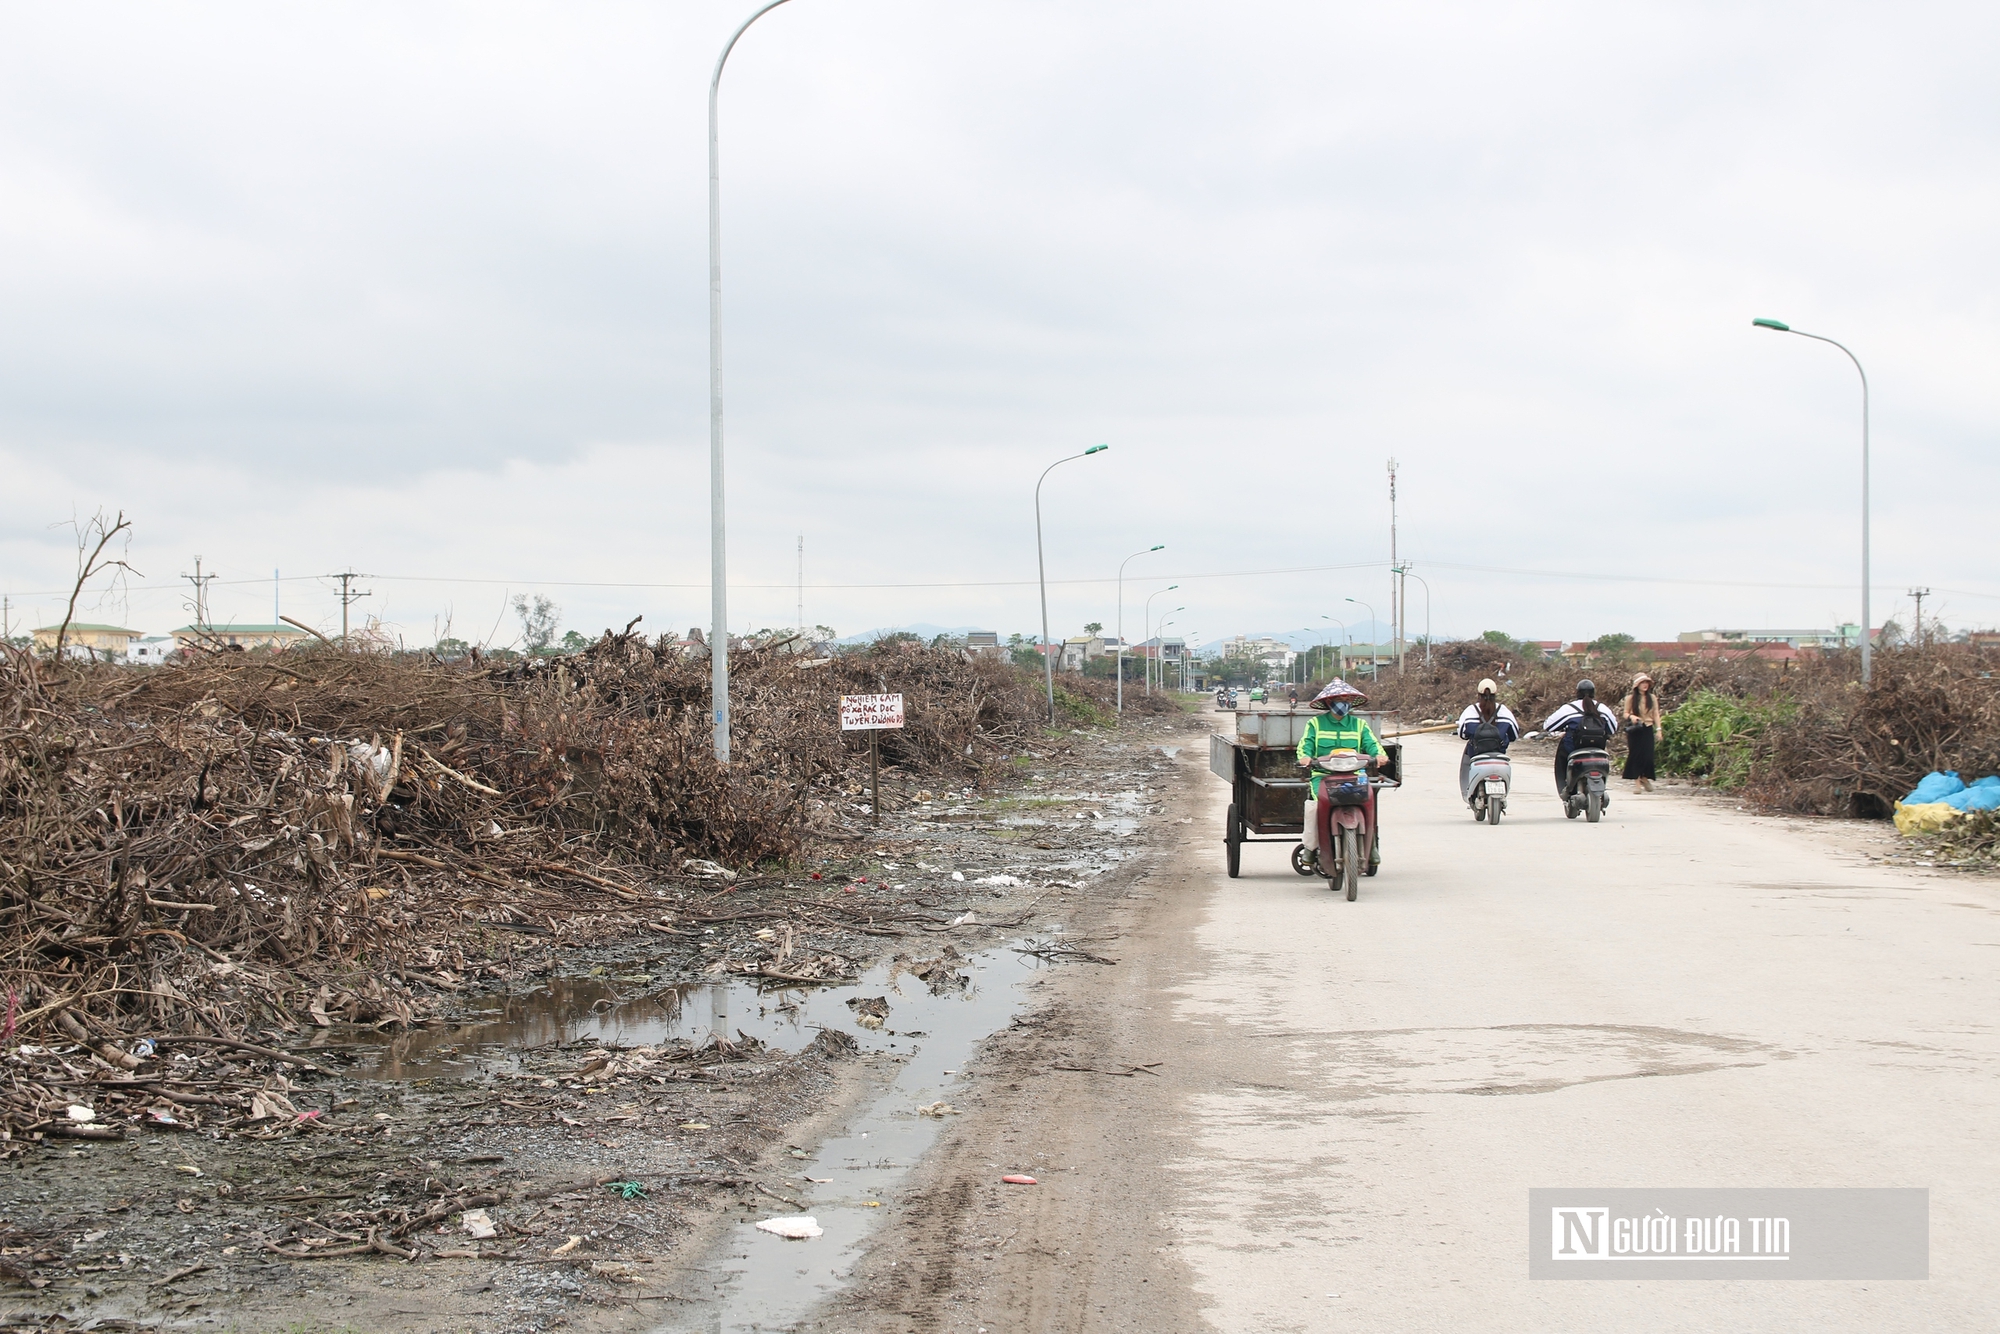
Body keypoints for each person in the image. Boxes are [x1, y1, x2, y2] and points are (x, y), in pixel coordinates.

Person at [1297, 678, 1385, 869]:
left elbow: (1372, 744)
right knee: (1314, 806)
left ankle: (1371, 847)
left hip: (1355, 774)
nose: (1344, 703)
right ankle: (1310, 848)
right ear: (1329, 702)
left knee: (1369, 800)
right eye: (1339, 699)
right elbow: (1305, 745)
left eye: (1347, 700)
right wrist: (1305, 757)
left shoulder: (1359, 725)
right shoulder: (1315, 724)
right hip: (1322, 775)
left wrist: (1379, 755)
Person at [1543, 680, 1621, 804]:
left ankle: (1565, 787)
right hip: (1598, 748)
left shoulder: (1569, 708)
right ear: (1594, 693)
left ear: (1577, 692)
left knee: (1562, 755)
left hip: (1573, 748)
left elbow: (1548, 726)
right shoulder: (1602, 708)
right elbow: (1612, 729)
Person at [1454, 677, 1520, 798]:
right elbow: (1514, 734)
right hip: (1499, 753)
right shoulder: (1504, 711)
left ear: (1478, 694)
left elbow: (1463, 734)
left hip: (1476, 753)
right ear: (1496, 694)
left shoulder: (1470, 711)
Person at [1622, 672, 1662, 792]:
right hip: (1636, 729)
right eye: (1642, 683)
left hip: (1648, 727)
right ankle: (1637, 783)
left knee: (1648, 756)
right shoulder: (1630, 699)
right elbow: (1625, 713)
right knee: (1636, 755)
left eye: (1647, 683)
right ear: (1637, 685)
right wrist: (1631, 717)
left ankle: (1645, 777)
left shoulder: (1652, 698)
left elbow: (1656, 714)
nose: (1645, 685)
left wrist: (1659, 730)